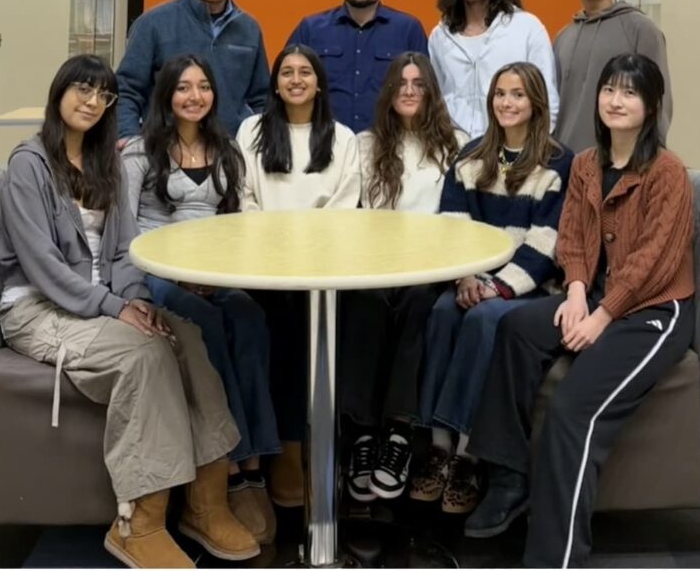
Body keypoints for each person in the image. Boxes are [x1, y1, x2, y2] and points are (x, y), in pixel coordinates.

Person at [0, 54, 259, 569]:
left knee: (185, 338)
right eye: (81, 89)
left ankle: (206, 505)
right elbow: (44, 268)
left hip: (99, 306)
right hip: (38, 309)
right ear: (59, 93)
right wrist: (114, 307)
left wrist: (136, 299)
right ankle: (139, 523)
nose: (91, 102)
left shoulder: (106, 164)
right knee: (147, 356)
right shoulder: (28, 164)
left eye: (103, 95)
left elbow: (121, 252)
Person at [466, 54, 694, 568]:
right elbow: (572, 238)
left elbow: (653, 262)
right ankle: (508, 479)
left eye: (630, 93)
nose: (616, 100)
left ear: (652, 105)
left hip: (654, 312)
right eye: (609, 89)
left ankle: (555, 558)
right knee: (515, 329)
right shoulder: (587, 163)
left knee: (573, 409)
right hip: (591, 297)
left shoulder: (667, 172)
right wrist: (573, 293)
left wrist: (601, 315)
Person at [121, 54, 280, 546]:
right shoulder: (138, 153)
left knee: (251, 318)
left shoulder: (227, 149)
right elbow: (124, 230)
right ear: (167, 95)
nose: (195, 96)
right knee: (205, 325)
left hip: (212, 271)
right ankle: (230, 468)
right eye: (183, 88)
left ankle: (255, 465)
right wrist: (164, 279)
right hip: (158, 273)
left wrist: (216, 271)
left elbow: (234, 223)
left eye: (204, 87)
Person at [411, 62, 573, 517]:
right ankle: (437, 448)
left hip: (523, 288)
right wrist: (464, 278)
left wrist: (496, 288)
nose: (507, 102)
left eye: (518, 95)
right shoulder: (470, 157)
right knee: (442, 312)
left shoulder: (560, 163)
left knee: (482, 322)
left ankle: (467, 455)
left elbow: (547, 241)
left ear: (536, 102)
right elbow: (452, 226)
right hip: (471, 279)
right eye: (500, 94)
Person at [236, 44, 361, 507]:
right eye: (286, 72)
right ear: (274, 83)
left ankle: (327, 447)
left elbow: (347, 206)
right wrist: (273, 251)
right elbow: (244, 197)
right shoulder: (251, 131)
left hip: (324, 265)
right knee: (283, 334)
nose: (295, 79)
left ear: (319, 82)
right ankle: (288, 449)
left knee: (337, 332)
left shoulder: (344, 138)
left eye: (304, 72)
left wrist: (310, 254)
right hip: (264, 267)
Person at [341, 53, 468, 503]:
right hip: (375, 265)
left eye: (419, 83)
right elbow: (355, 214)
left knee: (419, 306)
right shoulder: (365, 144)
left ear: (431, 91)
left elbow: (461, 218)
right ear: (390, 93)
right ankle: (362, 435)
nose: (410, 91)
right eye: (401, 84)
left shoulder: (456, 145)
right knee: (364, 304)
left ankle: (396, 435)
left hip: (429, 268)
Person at [116, 0, 270, 138]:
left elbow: (261, 99)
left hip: (230, 153)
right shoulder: (153, 24)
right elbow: (127, 90)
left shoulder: (249, 29)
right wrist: (129, 139)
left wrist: (259, 145)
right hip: (165, 153)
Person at [286, 0, 429, 133]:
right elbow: (285, 83)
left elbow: (426, 91)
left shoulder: (408, 29)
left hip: (387, 145)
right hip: (324, 143)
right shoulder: (311, 28)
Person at [553, 0, 672, 152]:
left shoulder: (641, 29)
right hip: (567, 165)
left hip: (622, 164)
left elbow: (660, 102)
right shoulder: (563, 37)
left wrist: (647, 160)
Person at [429, 0, 559, 139]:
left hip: (514, 148)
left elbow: (547, 96)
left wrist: (532, 150)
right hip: (457, 151)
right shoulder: (440, 36)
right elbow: (436, 97)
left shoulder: (526, 27)